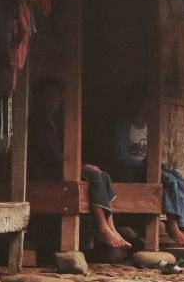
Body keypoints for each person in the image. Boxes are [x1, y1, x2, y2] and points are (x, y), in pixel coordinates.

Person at [29, 79, 129, 252]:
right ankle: (101, 227)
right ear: (39, 99)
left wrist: (80, 166)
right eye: (48, 95)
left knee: (104, 175)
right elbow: (51, 155)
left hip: (58, 166)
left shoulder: (55, 122)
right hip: (45, 170)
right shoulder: (38, 122)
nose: (54, 100)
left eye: (56, 96)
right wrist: (80, 166)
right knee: (94, 175)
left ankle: (110, 226)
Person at [112, 95, 184, 249]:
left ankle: (183, 227)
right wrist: (142, 163)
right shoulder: (124, 126)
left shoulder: (147, 126)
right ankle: (172, 226)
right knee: (170, 182)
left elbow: (154, 152)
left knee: (180, 179)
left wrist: (159, 163)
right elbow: (119, 155)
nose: (140, 107)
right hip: (131, 171)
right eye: (137, 103)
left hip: (148, 168)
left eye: (143, 103)